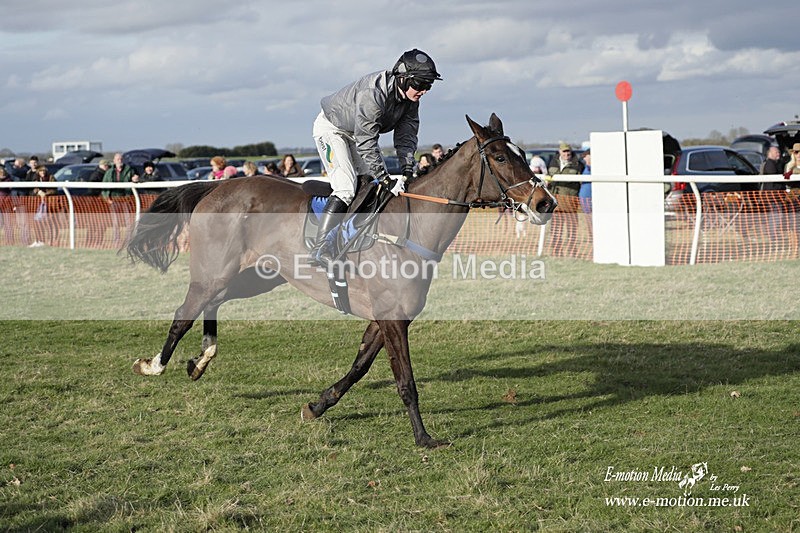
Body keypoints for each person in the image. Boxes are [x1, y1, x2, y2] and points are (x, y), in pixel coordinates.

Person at [309, 48, 442, 267]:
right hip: (332, 129)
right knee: (346, 189)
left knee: (369, 186)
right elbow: (367, 141)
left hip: (356, 133)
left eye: (429, 85)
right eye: (420, 84)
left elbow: (406, 137)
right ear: (403, 78)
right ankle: (319, 248)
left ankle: (349, 240)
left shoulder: (411, 101)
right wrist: (386, 178)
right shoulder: (373, 93)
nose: (424, 91)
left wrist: (407, 169)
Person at [102, 152, 138, 245]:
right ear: (114, 161)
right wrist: (107, 198)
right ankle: (116, 241)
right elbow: (104, 186)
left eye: (121, 159)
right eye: (118, 159)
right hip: (113, 200)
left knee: (128, 221)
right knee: (116, 222)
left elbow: (136, 180)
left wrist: (136, 179)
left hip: (126, 200)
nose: (120, 161)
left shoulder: (130, 170)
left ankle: (129, 240)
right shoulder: (109, 172)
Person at [30, 166, 57, 247]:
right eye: (41, 171)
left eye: (44, 171)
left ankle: (52, 240)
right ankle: (39, 240)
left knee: (50, 222)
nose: (43, 172)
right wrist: (38, 192)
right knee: (37, 221)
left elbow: (54, 190)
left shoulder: (51, 178)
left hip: (50, 202)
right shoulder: (36, 178)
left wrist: (46, 194)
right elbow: (33, 189)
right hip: (39, 203)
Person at [579, 149, 592, 214]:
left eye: (585, 156)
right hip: (585, 201)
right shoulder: (585, 167)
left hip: (590, 200)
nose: (584, 159)